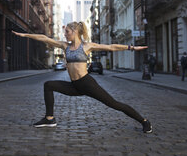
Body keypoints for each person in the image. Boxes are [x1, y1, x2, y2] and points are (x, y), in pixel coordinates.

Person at [12, 21, 153, 133]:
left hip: (87, 84)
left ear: (75, 32)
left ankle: (144, 121)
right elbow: (44, 38)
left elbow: (111, 47)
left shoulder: (87, 46)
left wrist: (132, 48)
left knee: (114, 104)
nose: (65, 34)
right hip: (74, 86)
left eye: (67, 32)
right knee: (48, 85)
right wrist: (25, 35)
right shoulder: (64, 46)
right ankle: (49, 119)